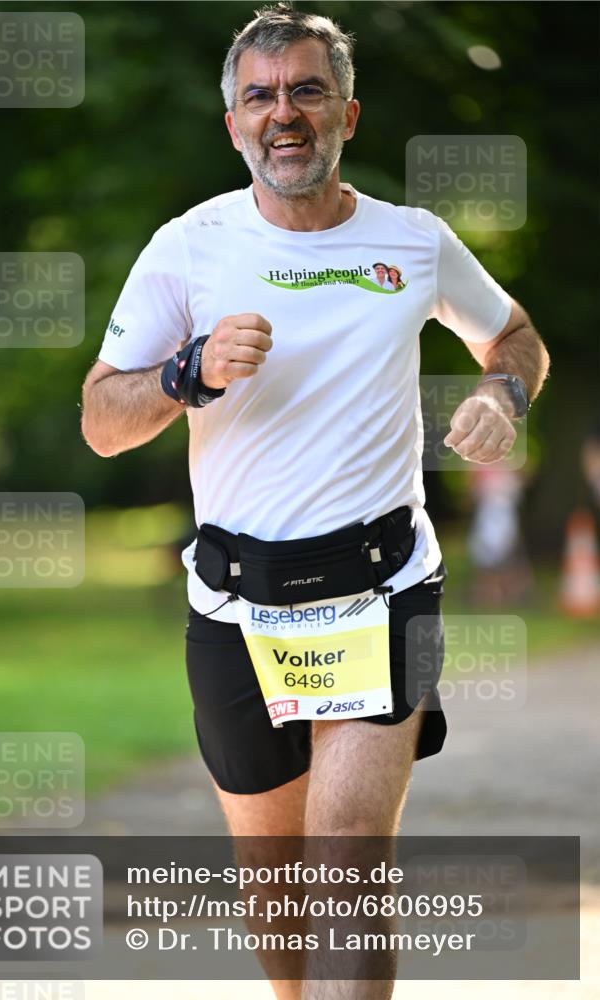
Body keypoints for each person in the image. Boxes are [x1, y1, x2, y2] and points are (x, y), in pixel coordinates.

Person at [81, 5, 549, 997]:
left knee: (346, 858)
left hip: (381, 591)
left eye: (305, 91)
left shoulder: (412, 244)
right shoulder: (187, 248)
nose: (281, 112)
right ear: (232, 124)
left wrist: (499, 395)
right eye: (259, 95)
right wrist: (184, 374)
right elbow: (100, 419)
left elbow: (515, 338)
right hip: (235, 605)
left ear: (347, 114)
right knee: (278, 889)